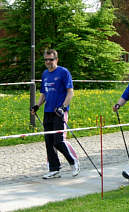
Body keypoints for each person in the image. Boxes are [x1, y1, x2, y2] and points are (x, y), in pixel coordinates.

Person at [30, 49, 80, 179]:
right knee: (49, 142)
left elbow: (70, 92)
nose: (48, 62)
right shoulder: (45, 74)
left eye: (51, 59)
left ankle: (73, 161)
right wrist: (37, 105)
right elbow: (44, 93)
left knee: (58, 141)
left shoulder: (63, 72)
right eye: (46, 60)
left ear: (56, 59)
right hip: (48, 111)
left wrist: (63, 108)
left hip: (59, 112)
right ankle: (54, 168)